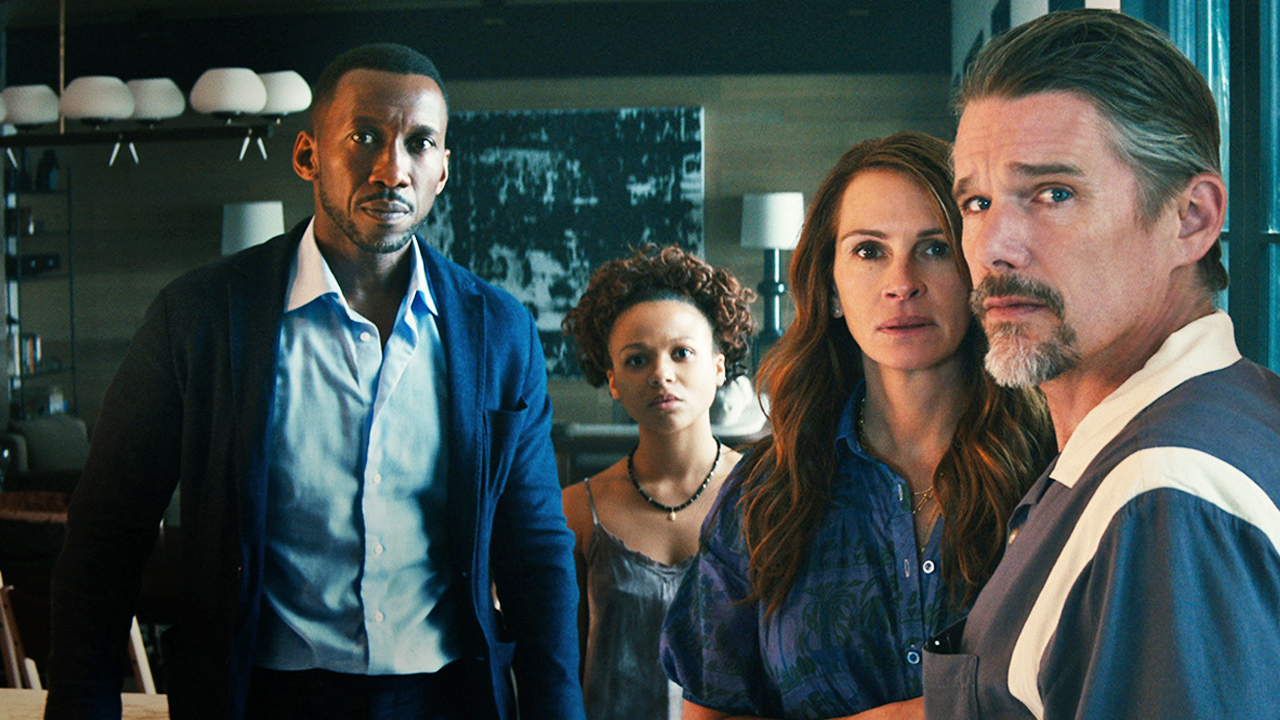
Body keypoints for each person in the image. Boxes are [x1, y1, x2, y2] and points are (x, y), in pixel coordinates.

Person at [44, 43, 585, 720]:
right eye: (365, 138)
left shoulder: (499, 330)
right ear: (308, 155)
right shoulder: (199, 316)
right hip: (261, 699)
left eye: (419, 143)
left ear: (443, 169)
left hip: (447, 699)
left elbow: (535, 550)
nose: (393, 169)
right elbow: (108, 533)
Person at [923, 9, 1280, 719]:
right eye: (977, 202)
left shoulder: (1165, 494)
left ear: (1191, 218)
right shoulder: (1209, 416)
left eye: (1053, 193)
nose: (993, 247)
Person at [661, 131, 1055, 720]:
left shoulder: (1054, 470)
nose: (902, 282)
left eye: (935, 248)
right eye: (869, 251)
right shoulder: (763, 495)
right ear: (832, 287)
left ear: (978, 268)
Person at [560, 245, 756, 720]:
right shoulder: (576, 511)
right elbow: (563, 668)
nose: (661, 375)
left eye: (681, 353)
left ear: (718, 366)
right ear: (612, 380)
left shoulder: (764, 497)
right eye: (636, 360)